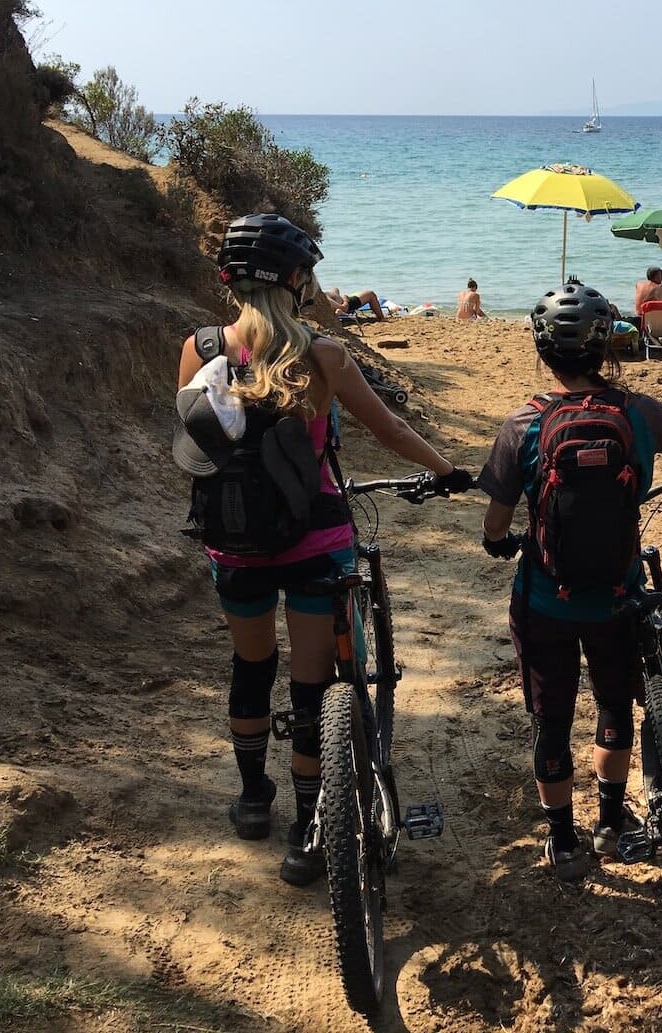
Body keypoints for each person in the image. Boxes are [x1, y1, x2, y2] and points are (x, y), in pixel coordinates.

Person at [177, 214, 472, 885]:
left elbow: (196, 445)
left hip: (235, 543)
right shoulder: (324, 355)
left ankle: (254, 800)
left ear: (229, 278)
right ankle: (309, 833)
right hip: (315, 541)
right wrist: (447, 470)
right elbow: (390, 430)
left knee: (251, 665)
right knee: (314, 688)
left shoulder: (199, 348)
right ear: (296, 280)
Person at [477, 282, 662, 881]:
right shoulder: (640, 412)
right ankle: (611, 824)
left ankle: (563, 841)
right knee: (615, 707)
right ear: (607, 349)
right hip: (618, 597)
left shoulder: (523, 423)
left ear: (543, 353)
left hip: (544, 599)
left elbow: (496, 521)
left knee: (551, 719)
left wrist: (499, 542)